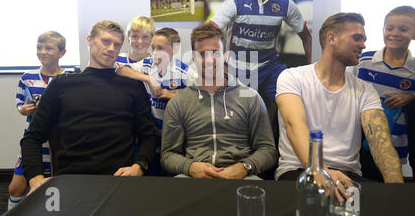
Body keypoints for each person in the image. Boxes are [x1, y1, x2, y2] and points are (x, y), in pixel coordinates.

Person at [20, 20, 157, 194]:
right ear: (90, 39)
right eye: (106, 41)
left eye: (116, 44)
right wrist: (35, 178)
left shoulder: (132, 86)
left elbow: (148, 136)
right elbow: (32, 137)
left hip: (119, 181)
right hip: (72, 181)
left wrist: (138, 167)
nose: (111, 48)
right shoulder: (62, 85)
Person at [275, 12, 404, 184]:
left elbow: (381, 143)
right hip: (299, 170)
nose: (363, 45)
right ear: (331, 38)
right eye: (357, 38)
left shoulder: (365, 89)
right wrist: (319, 170)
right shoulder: (292, 77)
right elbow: (294, 124)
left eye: (363, 39)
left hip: (349, 175)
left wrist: (396, 190)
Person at [161, 23, 277, 179]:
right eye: (202, 54)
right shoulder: (178, 102)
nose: (209, 60)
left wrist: (244, 167)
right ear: (193, 57)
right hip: (193, 177)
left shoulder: (250, 97)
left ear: (226, 56)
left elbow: (268, 150)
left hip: (242, 176)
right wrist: (190, 167)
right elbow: (168, 155)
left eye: (215, 53)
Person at [210, 0, 312, 117]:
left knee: (291, 103)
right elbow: (208, 33)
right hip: (238, 68)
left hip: (270, 66)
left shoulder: (284, 3)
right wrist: (220, 66)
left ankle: (277, 136)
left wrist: (311, 73)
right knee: (242, 118)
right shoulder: (235, 2)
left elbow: (307, 38)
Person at [350, 6, 415, 181]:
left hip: (395, 146)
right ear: (383, 30)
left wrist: (411, 98)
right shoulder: (364, 60)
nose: (395, 33)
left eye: (403, 29)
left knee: (386, 194)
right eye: (389, 28)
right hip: (357, 144)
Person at [116, 27, 197, 175]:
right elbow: (119, 70)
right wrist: (149, 79)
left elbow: (201, 99)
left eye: (160, 48)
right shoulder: (147, 64)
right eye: (153, 47)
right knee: (149, 175)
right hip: (151, 135)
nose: (154, 52)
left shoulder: (185, 71)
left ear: (175, 48)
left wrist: (173, 96)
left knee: (172, 176)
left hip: (175, 138)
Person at [8, 31, 67, 210]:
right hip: (33, 141)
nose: (43, 52)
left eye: (49, 48)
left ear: (62, 53)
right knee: (16, 188)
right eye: (39, 47)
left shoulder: (69, 78)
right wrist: (23, 110)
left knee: (54, 189)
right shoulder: (27, 78)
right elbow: (20, 105)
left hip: (60, 142)